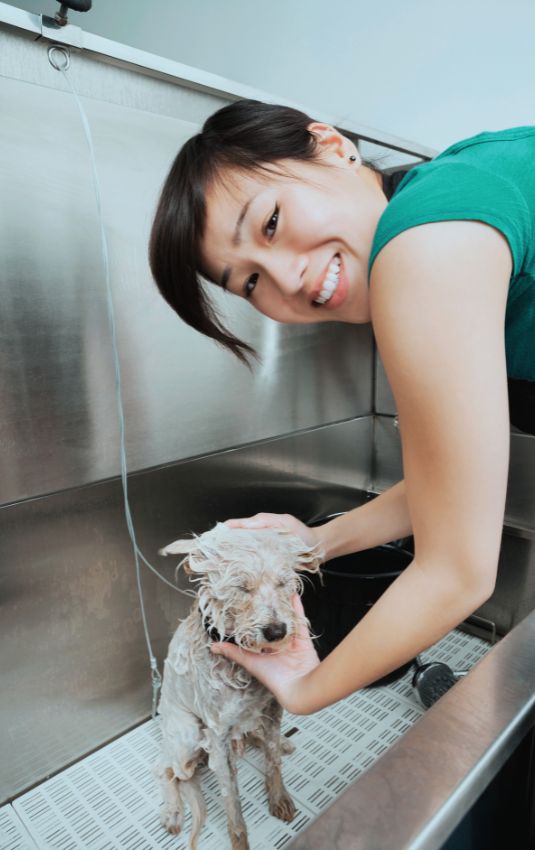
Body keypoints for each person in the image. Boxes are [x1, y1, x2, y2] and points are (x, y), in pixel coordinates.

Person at [149, 99, 535, 716]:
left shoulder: (424, 245)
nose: (289, 279)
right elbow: (455, 484)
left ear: (331, 146)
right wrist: (314, 545)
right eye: (249, 282)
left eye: (271, 224)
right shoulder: (447, 208)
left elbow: (458, 570)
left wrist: (305, 688)